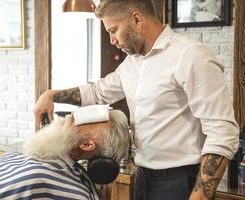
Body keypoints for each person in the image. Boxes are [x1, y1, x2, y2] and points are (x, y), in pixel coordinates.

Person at [34, 0, 240, 199]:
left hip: (181, 182)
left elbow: (222, 133)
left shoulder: (191, 56)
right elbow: (98, 92)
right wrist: (51, 95)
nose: (112, 40)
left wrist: (200, 197)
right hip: (143, 177)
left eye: (113, 30)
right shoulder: (132, 63)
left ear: (136, 19)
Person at [0, 109, 130, 200]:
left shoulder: (42, 177)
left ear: (87, 144)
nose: (68, 116)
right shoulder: (45, 158)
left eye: (81, 119)